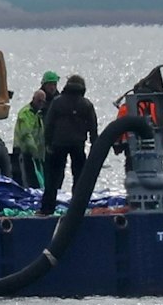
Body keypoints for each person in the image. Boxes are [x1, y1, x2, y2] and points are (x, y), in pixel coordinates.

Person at [38, 73, 98, 216]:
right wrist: (95, 146)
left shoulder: (57, 102)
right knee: (79, 177)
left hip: (58, 143)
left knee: (52, 179)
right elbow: (93, 128)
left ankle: (47, 209)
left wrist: (48, 143)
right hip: (78, 145)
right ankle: (78, 209)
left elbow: (49, 124)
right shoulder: (86, 104)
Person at [11, 89, 47, 189]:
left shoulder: (38, 115)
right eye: (38, 101)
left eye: (42, 102)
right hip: (22, 152)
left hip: (33, 154)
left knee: (36, 181)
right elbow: (26, 135)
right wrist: (35, 151)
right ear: (33, 99)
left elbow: (40, 136)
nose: (40, 104)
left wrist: (41, 154)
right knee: (25, 181)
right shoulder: (25, 113)